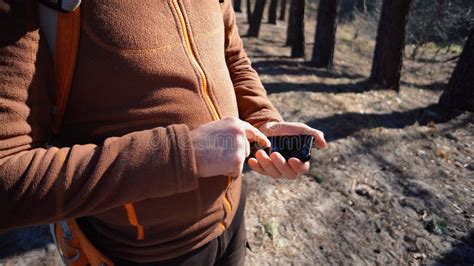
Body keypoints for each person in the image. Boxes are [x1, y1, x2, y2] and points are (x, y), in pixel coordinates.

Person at [0, 0, 326, 264]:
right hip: (145, 254)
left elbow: (233, 57)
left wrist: (261, 116)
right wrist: (184, 154)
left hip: (233, 221)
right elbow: (7, 181)